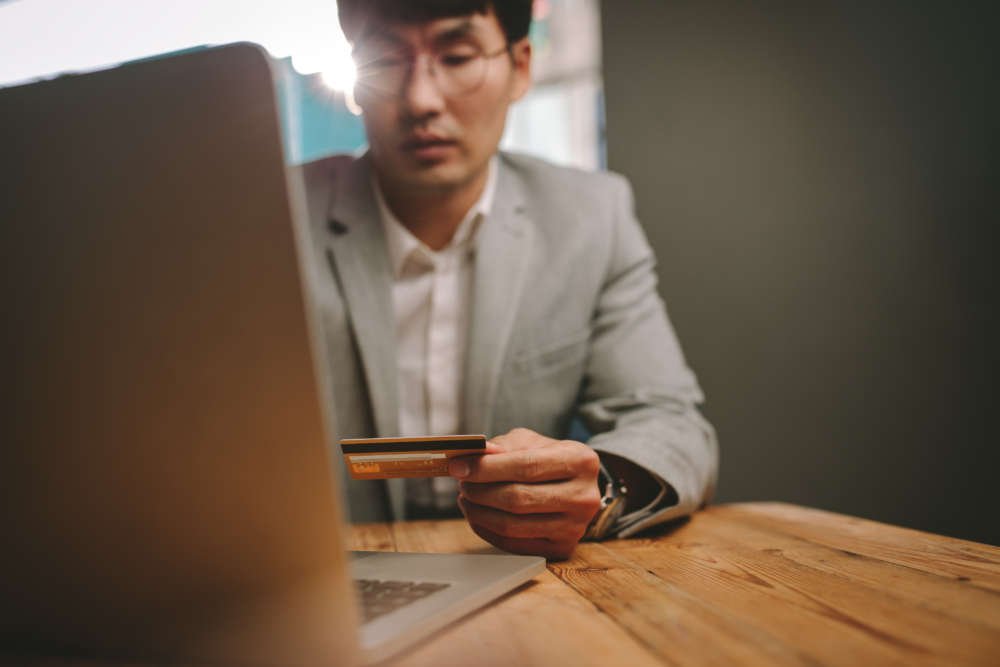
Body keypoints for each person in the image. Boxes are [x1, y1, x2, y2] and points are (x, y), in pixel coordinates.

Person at [298, 0, 718, 559]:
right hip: (329, 577)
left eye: (457, 55)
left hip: (534, 578)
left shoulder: (591, 218)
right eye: (383, 58)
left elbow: (669, 420)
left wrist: (601, 490)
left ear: (520, 66)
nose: (421, 100)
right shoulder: (273, 216)